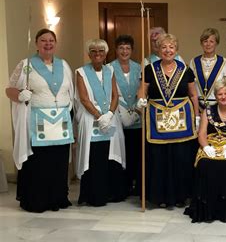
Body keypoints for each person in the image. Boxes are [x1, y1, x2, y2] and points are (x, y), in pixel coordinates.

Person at [6, 28, 74, 212]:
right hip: (37, 122)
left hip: (60, 122)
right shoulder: (26, 65)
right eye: (43, 40)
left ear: (56, 43)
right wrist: (20, 94)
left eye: (51, 40)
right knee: (39, 163)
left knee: (58, 162)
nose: (48, 43)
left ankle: (58, 198)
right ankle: (37, 200)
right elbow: (9, 89)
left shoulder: (64, 65)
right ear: (36, 43)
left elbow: (70, 92)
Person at [138, 33, 200, 208]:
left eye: (171, 47)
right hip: (156, 119)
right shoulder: (149, 70)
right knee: (159, 159)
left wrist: (196, 116)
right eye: (164, 47)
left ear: (176, 49)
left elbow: (193, 95)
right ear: (158, 50)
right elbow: (142, 91)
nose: (168, 50)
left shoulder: (186, 69)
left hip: (182, 119)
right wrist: (141, 99)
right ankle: (160, 196)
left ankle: (180, 196)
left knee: (180, 158)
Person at [185, 78, 226, 223]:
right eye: (220, 94)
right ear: (216, 96)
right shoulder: (208, 110)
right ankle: (207, 211)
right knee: (205, 164)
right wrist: (206, 147)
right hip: (211, 145)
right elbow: (201, 133)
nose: (223, 97)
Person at [75, 39, 127, 206]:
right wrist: (99, 116)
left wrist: (110, 113)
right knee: (94, 156)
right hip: (92, 119)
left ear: (105, 54)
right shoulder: (81, 72)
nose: (97, 54)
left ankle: (113, 193)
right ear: (88, 54)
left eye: (101, 51)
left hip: (110, 119)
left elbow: (114, 95)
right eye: (93, 51)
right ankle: (94, 196)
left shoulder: (109, 70)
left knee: (110, 155)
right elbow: (83, 98)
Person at [108, 35, 142, 196]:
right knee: (121, 152)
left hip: (137, 116)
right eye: (121, 48)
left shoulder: (139, 68)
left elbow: (142, 90)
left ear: (132, 50)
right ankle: (123, 186)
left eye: (128, 48)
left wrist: (136, 109)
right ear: (116, 50)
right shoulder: (109, 68)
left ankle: (136, 184)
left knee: (136, 152)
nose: (124, 51)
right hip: (117, 115)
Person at [189, 28, 226, 112]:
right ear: (201, 43)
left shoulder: (223, 62)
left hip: (218, 107)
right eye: (205, 41)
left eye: (211, 41)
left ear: (216, 43)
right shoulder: (194, 62)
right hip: (197, 108)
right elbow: (191, 89)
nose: (208, 44)